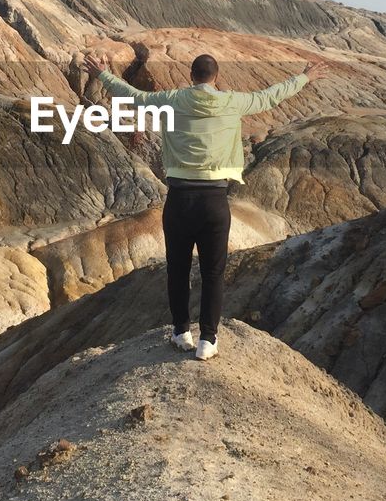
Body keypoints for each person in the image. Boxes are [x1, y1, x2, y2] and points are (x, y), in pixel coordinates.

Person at [84, 51, 329, 360]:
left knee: (178, 268)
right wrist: (304, 77)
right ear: (216, 77)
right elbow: (269, 97)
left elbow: (133, 96)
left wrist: (102, 74)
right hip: (214, 201)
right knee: (214, 272)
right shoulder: (232, 102)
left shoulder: (172, 99)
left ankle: (181, 333)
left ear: (191, 76)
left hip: (179, 200)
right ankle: (207, 341)